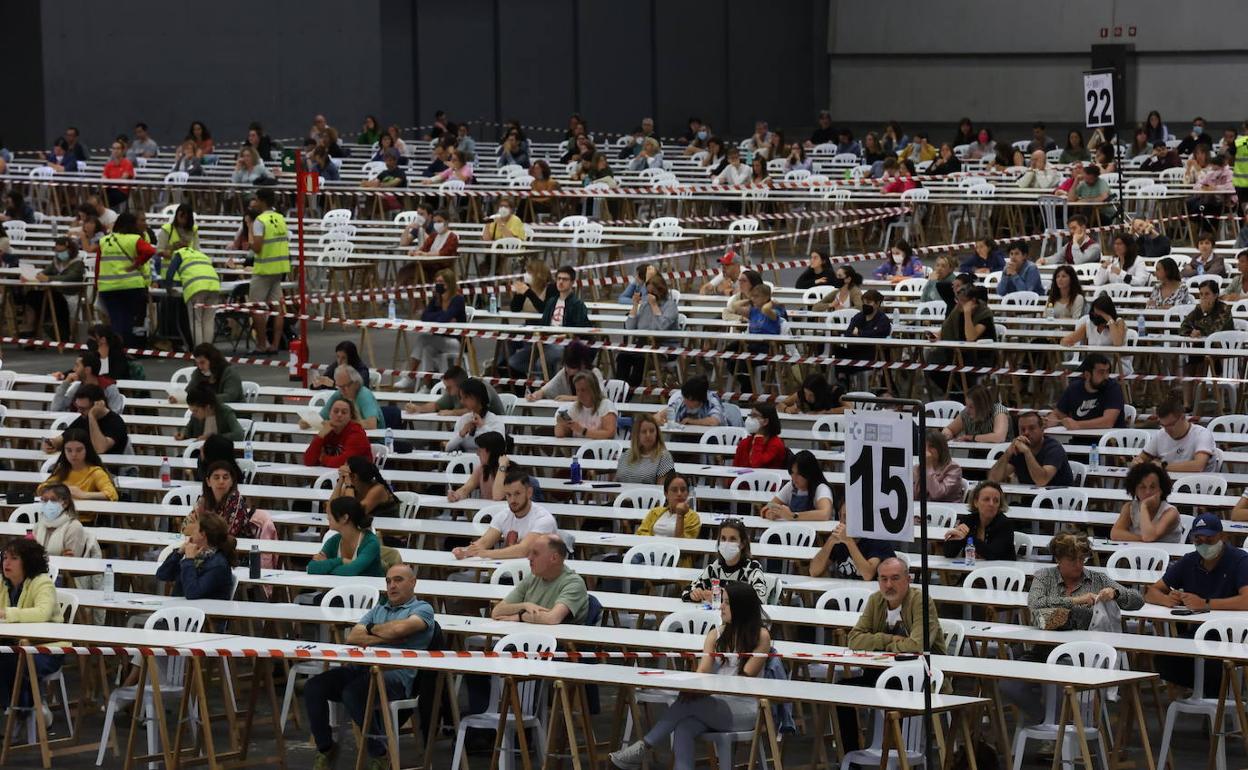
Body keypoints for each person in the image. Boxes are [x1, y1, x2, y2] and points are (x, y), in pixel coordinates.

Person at [610, 582, 770, 770]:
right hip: (715, 703)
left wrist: (703, 691)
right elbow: (702, 670)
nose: (721, 607)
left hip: (743, 709)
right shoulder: (715, 634)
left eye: (726, 603)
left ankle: (644, 745)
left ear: (741, 607)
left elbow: (745, 676)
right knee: (684, 724)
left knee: (688, 703)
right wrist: (693, 687)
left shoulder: (761, 636)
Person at [305, 564, 434, 770]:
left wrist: (373, 631)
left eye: (398, 580)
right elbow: (353, 637)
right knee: (314, 687)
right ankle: (326, 747)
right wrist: (387, 634)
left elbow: (400, 628)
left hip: (395, 675)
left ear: (413, 583)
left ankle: (379, 752)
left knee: (352, 694)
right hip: (361, 668)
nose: (392, 586)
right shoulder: (379, 609)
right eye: (388, 581)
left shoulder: (423, 609)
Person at [837, 557, 945, 750]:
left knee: (894, 689)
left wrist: (877, 642)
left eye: (895, 578)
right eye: (883, 579)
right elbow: (854, 639)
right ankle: (851, 756)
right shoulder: (876, 600)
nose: (888, 585)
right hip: (880, 673)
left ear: (908, 579)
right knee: (842, 690)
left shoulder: (921, 601)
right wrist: (888, 639)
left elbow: (917, 645)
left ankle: (899, 755)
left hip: (919, 680)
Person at [1146, 514, 1248, 696]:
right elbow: (1152, 591)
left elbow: (1246, 600)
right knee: (1164, 657)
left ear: (1222, 537)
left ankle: (1219, 693)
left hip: (1232, 637)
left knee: (1212, 666)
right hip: (1197, 634)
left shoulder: (1240, 560)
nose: (1204, 545)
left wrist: (1206, 604)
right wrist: (1168, 599)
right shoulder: (1189, 561)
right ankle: (1207, 691)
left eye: (1210, 539)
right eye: (1198, 540)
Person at [0, 539, 64, 710]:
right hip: (15, 644)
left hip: (47, 648)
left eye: (14, 558)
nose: (7, 562)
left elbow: (43, 612)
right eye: (5, 557)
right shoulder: (3, 582)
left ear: (28, 561)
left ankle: (24, 710)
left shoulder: (42, 582)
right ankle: (21, 709)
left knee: (9, 662)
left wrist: (7, 613)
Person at [454, 470, 556, 560]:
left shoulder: (544, 519)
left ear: (529, 492)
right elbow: (483, 543)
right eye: (508, 495)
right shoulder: (503, 516)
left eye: (517, 494)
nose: (512, 500)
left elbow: (523, 550)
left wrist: (486, 553)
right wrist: (465, 552)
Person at [492, 532, 589, 627]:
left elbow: (552, 618)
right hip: (528, 636)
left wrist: (520, 616)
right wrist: (524, 606)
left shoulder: (573, 583)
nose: (529, 558)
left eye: (535, 554)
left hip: (557, 641)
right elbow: (497, 611)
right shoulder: (533, 577)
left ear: (554, 558)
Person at [508, 265, 589, 375]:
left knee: (541, 363)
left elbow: (581, 329)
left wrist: (565, 336)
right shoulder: (551, 302)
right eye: (559, 279)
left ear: (572, 282)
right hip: (544, 341)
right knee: (514, 361)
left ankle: (545, 383)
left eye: (565, 279)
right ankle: (543, 379)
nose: (560, 282)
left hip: (562, 343)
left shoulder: (577, 304)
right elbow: (543, 323)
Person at [400, 268, 467, 390]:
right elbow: (425, 317)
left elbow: (443, 319)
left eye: (441, 282)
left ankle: (410, 376)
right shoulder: (437, 299)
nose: (438, 285)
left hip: (456, 342)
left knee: (423, 339)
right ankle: (426, 386)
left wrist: (441, 317)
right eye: (437, 282)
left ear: (449, 283)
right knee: (427, 350)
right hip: (439, 339)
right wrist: (442, 315)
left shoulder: (458, 300)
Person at [97, 212, 156, 346]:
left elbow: (98, 265)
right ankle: (127, 349)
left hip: (108, 287)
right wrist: (137, 263)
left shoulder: (105, 240)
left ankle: (116, 350)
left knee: (115, 319)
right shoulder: (134, 239)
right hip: (131, 286)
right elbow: (150, 251)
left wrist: (97, 284)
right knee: (128, 319)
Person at [681, 518, 768, 603]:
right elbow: (688, 590)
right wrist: (694, 594)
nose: (726, 543)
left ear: (742, 544)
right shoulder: (714, 568)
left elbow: (760, 597)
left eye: (732, 539)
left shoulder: (751, 568)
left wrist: (724, 597)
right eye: (723, 538)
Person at [245, 189, 290, 355]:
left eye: (256, 200)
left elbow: (257, 247)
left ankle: (262, 344)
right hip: (279, 268)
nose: (254, 203)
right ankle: (275, 344)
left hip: (263, 269)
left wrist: (249, 229)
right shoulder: (280, 218)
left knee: (255, 307)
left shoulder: (259, 221)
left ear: (262, 201)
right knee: (277, 308)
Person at [617, 271, 679, 386]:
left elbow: (661, 328)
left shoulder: (670, 306)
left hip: (663, 348)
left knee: (640, 361)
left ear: (660, 291)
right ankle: (620, 388)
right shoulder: (645, 305)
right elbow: (630, 327)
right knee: (623, 356)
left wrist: (655, 306)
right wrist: (635, 306)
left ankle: (630, 390)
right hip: (644, 345)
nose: (649, 296)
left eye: (653, 293)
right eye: (648, 292)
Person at [156, 513, 237, 599]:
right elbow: (162, 574)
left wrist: (189, 560)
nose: (191, 534)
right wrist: (179, 553)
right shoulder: (198, 555)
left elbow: (192, 593)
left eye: (194, 529)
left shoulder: (218, 565)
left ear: (203, 534)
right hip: (183, 608)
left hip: (206, 610)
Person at [1133, 393, 1217, 472]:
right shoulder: (1161, 434)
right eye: (1163, 425)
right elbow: (1142, 458)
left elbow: (1198, 466)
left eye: (1171, 425)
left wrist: (1163, 466)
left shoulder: (1202, 434)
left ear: (1183, 417)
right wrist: (1137, 462)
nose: (1167, 430)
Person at [20, 236, 84, 338]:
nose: (59, 254)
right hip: (55, 294)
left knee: (39, 300)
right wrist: (32, 276)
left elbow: (70, 277)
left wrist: (48, 278)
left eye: (61, 251)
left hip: (68, 295)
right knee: (31, 296)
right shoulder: (56, 262)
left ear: (70, 249)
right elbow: (44, 273)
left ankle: (36, 331)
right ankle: (30, 329)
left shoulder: (78, 263)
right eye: (57, 251)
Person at [810, 503, 895, 580]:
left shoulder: (877, 539)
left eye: (853, 517)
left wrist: (849, 542)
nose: (848, 521)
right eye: (844, 516)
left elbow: (868, 575)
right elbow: (814, 571)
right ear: (839, 517)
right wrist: (830, 541)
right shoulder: (838, 540)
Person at [988, 411, 1074, 487]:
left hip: (1057, 501)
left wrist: (1027, 452)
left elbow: (1041, 481)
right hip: (1028, 500)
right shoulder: (1018, 449)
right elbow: (993, 479)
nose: (1026, 433)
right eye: (1022, 429)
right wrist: (1007, 453)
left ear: (1042, 429)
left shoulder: (1054, 448)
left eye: (1031, 428)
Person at [38, 429, 117, 511]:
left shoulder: (95, 472)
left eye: (79, 450)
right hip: (60, 515)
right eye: (69, 450)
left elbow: (112, 494)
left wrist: (83, 495)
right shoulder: (62, 470)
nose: (73, 455)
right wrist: (62, 490)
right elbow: (42, 488)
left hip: (84, 519)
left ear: (87, 450)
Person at [1046, 353, 1126, 431]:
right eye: (1101, 372)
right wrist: (1046, 423)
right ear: (1087, 375)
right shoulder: (1074, 388)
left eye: (1107, 372)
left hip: (1108, 440)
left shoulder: (1113, 388)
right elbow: (1057, 414)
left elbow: (1108, 422)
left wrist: (1077, 425)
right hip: (1079, 439)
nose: (1106, 376)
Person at [308, 497, 384, 577]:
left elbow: (351, 570)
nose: (328, 518)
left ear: (344, 518)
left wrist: (326, 565)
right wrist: (342, 561)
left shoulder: (371, 542)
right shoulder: (334, 540)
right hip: (340, 587)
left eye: (331, 514)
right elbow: (311, 567)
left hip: (369, 588)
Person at [1060, 293, 1132, 376]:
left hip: (1116, 364)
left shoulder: (1119, 322)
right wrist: (1066, 342)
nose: (1096, 317)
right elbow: (1068, 340)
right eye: (1095, 314)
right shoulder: (1089, 324)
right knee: (1078, 375)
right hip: (1094, 364)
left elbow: (1117, 343)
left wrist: (1109, 319)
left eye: (1100, 315)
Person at [942, 480, 1015, 561]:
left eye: (996, 501)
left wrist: (966, 536)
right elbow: (949, 553)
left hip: (999, 572)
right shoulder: (968, 520)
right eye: (986, 499)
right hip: (970, 572)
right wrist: (954, 538)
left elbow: (992, 554)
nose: (991, 504)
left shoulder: (1005, 525)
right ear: (976, 502)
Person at [166, 243, 221, 348]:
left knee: (197, 321)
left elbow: (170, 273)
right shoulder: (201, 254)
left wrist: (169, 289)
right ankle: (208, 351)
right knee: (208, 320)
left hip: (196, 288)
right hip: (214, 286)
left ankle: (200, 352)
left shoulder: (179, 254)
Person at [1110, 463, 1181, 543]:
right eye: (1142, 487)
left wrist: (1144, 506)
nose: (1148, 492)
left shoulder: (1170, 512)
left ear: (1161, 490)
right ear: (1135, 490)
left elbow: (1149, 537)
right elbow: (1115, 533)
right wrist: (1141, 538)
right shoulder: (1129, 508)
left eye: (1153, 487)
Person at [405, 365, 506, 417]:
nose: (446, 389)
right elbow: (437, 405)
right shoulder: (453, 392)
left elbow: (477, 410)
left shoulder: (479, 387)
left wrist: (452, 412)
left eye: (449, 387)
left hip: (495, 428)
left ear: (460, 385)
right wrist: (417, 408)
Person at [761, 451, 833, 521]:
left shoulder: (821, 488)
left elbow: (825, 514)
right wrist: (769, 513)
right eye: (792, 473)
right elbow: (769, 506)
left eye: (798, 474)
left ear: (809, 474)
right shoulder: (791, 486)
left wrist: (793, 516)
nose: (794, 478)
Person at [636, 472, 702, 547]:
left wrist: (680, 515)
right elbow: (641, 533)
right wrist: (656, 545)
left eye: (683, 490)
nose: (679, 494)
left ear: (687, 493)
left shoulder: (693, 518)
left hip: (674, 557)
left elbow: (683, 546)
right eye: (674, 490)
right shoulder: (655, 512)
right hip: (650, 551)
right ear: (666, 494)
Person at [309, 366, 384, 431]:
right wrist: (308, 422)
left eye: (347, 386)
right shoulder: (339, 394)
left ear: (356, 383)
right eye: (340, 386)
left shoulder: (364, 395)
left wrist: (342, 421)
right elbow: (321, 418)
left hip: (373, 442)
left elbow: (371, 424)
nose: (344, 390)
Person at [191, 460, 254, 538]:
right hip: (208, 545)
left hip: (236, 548)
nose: (221, 481)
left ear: (232, 482)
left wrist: (199, 531)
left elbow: (225, 535)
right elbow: (185, 528)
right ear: (208, 482)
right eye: (216, 477)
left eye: (225, 477)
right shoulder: (203, 500)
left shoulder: (236, 501)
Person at [303, 399, 372, 468]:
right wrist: (320, 436)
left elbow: (346, 463)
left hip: (357, 476)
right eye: (336, 411)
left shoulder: (356, 433)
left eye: (344, 412)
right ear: (329, 414)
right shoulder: (327, 430)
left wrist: (322, 458)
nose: (339, 415)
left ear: (350, 416)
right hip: (332, 473)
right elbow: (308, 461)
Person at [448, 432, 513, 502]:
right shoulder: (481, 469)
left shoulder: (511, 471)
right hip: (485, 511)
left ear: (491, 452)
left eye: (480, 450)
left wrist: (502, 467)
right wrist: (456, 495)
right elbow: (466, 489)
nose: (477, 453)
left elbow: (497, 497)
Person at [330, 456, 401, 519]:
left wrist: (349, 486)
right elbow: (330, 509)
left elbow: (354, 514)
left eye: (344, 473)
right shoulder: (351, 488)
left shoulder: (378, 489)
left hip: (387, 530)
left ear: (354, 476)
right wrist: (340, 482)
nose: (343, 474)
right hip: (369, 529)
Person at [446, 379, 506, 452]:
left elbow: (500, 446)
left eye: (466, 397)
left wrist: (483, 427)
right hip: (465, 460)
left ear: (478, 397)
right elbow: (448, 448)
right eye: (461, 398)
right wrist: (461, 434)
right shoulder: (463, 419)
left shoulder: (494, 420)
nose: (462, 402)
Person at [553, 372, 618, 439]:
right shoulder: (576, 407)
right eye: (577, 390)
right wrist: (560, 423)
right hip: (578, 447)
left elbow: (610, 433)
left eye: (583, 390)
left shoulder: (606, 405)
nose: (579, 394)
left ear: (593, 390)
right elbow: (559, 434)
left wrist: (583, 431)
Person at [179, 383, 245, 442]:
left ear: (208, 407)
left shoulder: (225, 412)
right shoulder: (195, 416)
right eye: (192, 411)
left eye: (196, 411)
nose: (193, 414)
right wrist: (183, 434)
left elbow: (239, 434)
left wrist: (214, 438)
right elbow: (188, 429)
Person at [655, 376, 724, 427]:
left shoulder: (712, 401)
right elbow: (664, 413)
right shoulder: (681, 400)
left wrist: (691, 421)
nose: (684, 402)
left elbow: (715, 421)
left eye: (689, 400)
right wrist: (658, 417)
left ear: (697, 400)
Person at [732, 405, 786, 469]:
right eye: (750, 415)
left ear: (765, 421)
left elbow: (757, 464)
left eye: (754, 416)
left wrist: (758, 440)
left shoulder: (776, 444)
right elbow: (734, 468)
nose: (750, 419)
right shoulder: (744, 443)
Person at [920, 428, 964, 503]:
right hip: (926, 509)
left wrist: (929, 467)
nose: (926, 451)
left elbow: (937, 494)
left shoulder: (954, 469)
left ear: (940, 448)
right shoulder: (918, 468)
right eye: (924, 446)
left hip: (947, 510)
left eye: (931, 446)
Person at [780, 374, 844, 415]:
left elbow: (850, 408)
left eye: (810, 395)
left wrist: (826, 412)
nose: (807, 398)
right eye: (805, 393)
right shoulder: (802, 394)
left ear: (819, 393)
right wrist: (787, 409)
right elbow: (780, 404)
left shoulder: (834, 392)